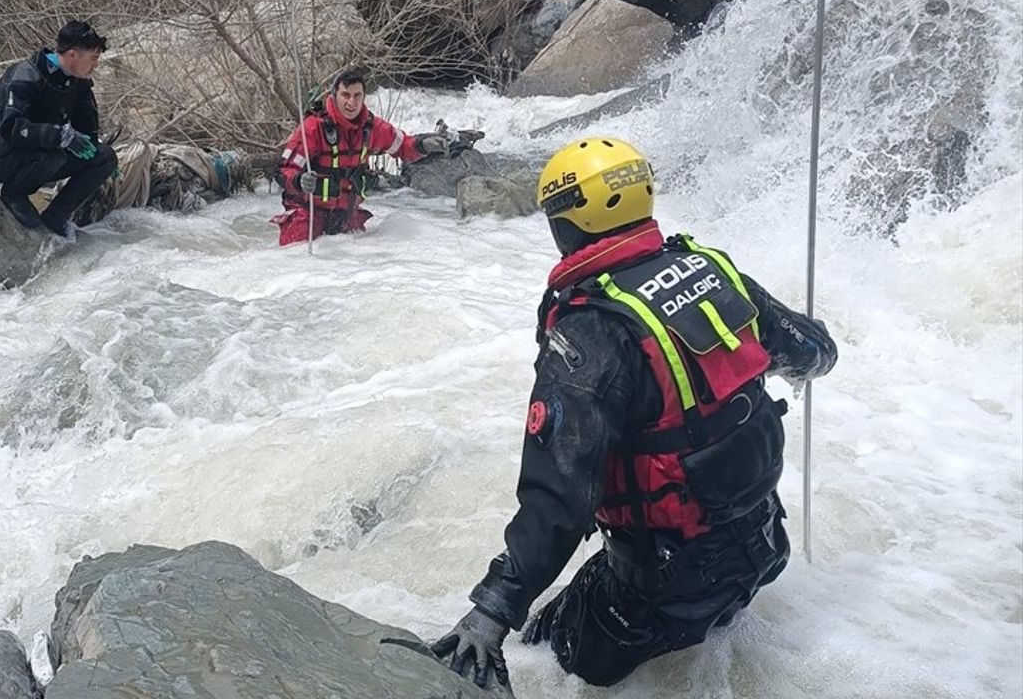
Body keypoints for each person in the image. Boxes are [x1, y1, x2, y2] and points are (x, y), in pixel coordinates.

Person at [430, 137, 838, 689]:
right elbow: (815, 353)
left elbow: (560, 496)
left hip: (663, 595)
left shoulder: (590, 330)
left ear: (572, 220)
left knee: (542, 645)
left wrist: (493, 610)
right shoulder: (712, 269)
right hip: (764, 548)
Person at [271, 67, 451, 246]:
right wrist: (299, 181)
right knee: (298, 253)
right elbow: (283, 171)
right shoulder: (313, 127)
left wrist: (423, 144)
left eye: (357, 96)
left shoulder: (372, 127)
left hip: (346, 215)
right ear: (334, 96)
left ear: (364, 97)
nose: (352, 102)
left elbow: (403, 146)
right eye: (346, 95)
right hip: (308, 214)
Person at [0, 20, 117, 236]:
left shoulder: (78, 82)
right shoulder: (25, 75)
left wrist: (99, 153)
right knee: (55, 152)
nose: (96, 65)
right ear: (72, 55)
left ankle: (56, 216)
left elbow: (88, 128)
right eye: (94, 58)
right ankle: (14, 193)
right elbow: (12, 127)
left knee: (105, 157)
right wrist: (61, 136)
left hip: (47, 152)